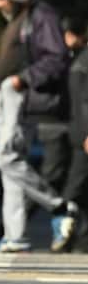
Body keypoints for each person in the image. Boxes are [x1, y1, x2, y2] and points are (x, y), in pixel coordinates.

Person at [0, 0, 79, 252]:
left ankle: (60, 205)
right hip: (12, 95)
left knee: (6, 158)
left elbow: (56, 58)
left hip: (23, 96)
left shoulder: (41, 17)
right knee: (10, 167)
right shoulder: (21, 18)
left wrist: (21, 80)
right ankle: (16, 236)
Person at [57, 16, 88, 252]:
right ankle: (74, 236)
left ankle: (69, 231)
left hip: (80, 133)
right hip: (81, 133)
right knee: (78, 185)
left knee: (76, 185)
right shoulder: (81, 61)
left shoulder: (80, 61)